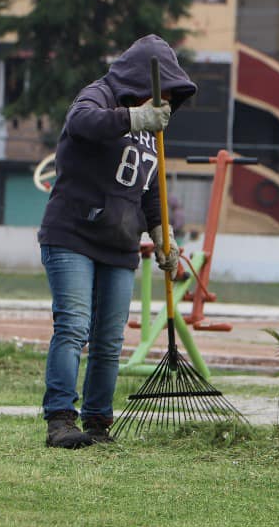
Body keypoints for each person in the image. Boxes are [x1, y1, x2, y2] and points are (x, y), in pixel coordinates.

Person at [37, 35, 196, 448]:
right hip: (72, 235)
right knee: (73, 327)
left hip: (120, 245)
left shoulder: (154, 131)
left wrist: (164, 234)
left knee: (109, 340)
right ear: (139, 77)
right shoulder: (99, 95)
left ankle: (97, 424)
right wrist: (133, 118)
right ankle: (59, 421)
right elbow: (81, 123)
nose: (162, 102)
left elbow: (150, 191)